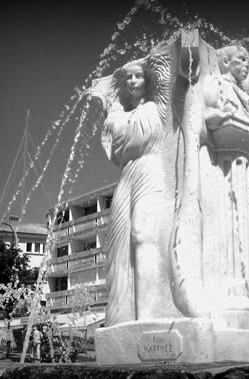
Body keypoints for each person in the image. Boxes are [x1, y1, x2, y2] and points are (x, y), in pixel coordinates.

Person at [101, 52, 177, 326]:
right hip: (126, 177)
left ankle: (146, 316)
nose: (133, 81)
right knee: (119, 244)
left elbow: (166, 76)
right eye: (128, 76)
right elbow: (112, 147)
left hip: (150, 169)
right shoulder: (118, 115)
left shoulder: (157, 106)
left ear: (148, 80)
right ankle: (122, 315)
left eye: (138, 75)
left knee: (141, 235)